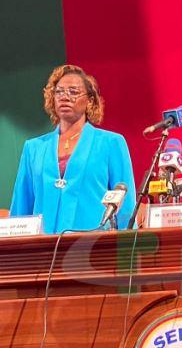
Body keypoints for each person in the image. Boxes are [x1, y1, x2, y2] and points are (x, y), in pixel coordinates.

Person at [10, 64, 135, 232]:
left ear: (90, 100)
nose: (65, 97)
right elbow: (20, 207)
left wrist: (126, 249)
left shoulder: (111, 143)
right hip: (43, 249)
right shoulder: (33, 148)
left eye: (73, 92)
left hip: (93, 247)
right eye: (59, 92)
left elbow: (125, 206)